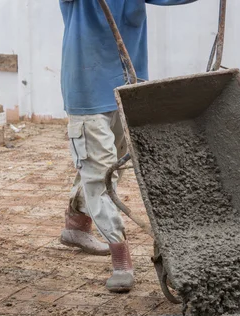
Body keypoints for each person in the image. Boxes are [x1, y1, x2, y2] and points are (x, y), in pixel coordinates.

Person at [58, 0, 197, 293]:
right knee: (99, 172)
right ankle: (120, 256)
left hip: (127, 86)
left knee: (111, 168)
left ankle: (76, 224)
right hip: (87, 89)